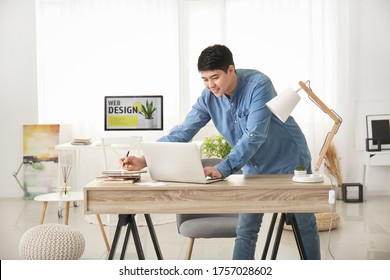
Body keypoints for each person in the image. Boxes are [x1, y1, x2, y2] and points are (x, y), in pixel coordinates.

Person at [120, 44, 321, 260]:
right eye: (205, 79)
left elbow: (255, 135)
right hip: (253, 164)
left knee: (304, 223)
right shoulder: (208, 98)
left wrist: (223, 168)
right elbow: (183, 132)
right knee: (246, 228)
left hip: (289, 159)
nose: (210, 85)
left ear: (231, 70)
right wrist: (144, 159)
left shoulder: (259, 84)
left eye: (215, 77)